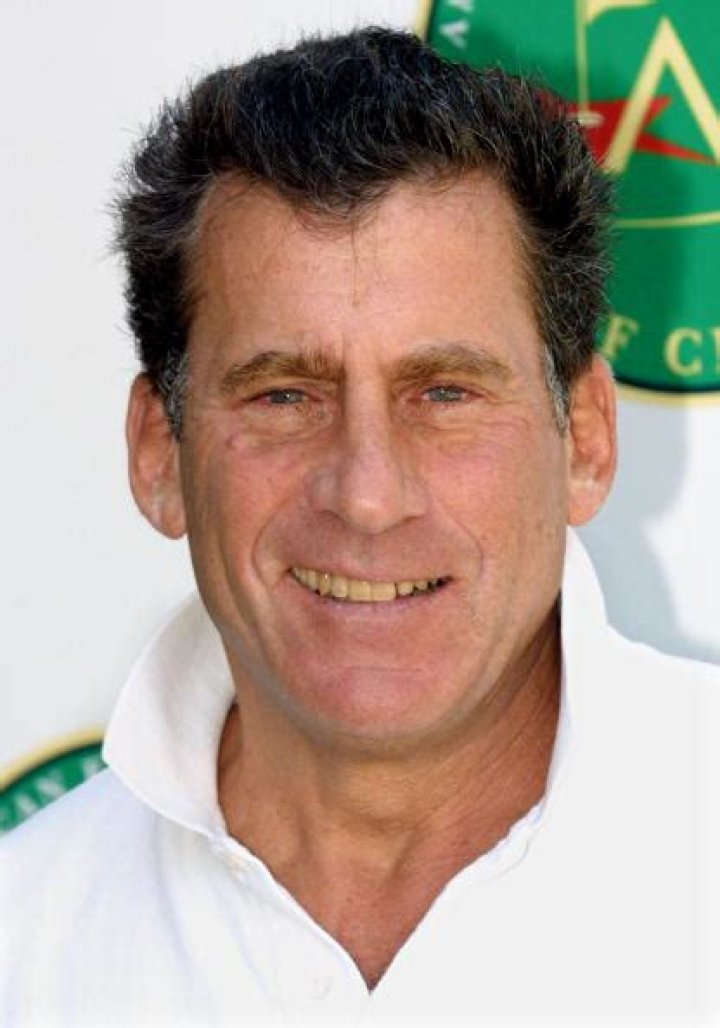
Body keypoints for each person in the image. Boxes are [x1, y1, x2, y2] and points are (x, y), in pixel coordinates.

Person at [1, 26, 718, 1028]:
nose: (369, 495)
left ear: (587, 439)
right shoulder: (21, 945)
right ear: (159, 453)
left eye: (446, 392)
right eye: (284, 396)